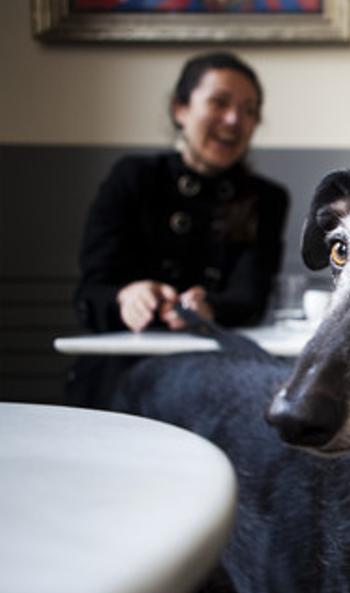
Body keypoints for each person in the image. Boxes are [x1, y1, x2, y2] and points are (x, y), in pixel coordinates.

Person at [68, 51, 289, 408]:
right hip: (123, 371)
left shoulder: (263, 198)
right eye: (219, 102)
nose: (234, 119)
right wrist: (127, 297)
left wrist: (208, 308)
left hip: (219, 373)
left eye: (249, 111)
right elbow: (91, 292)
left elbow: (250, 297)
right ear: (180, 109)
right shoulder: (133, 178)